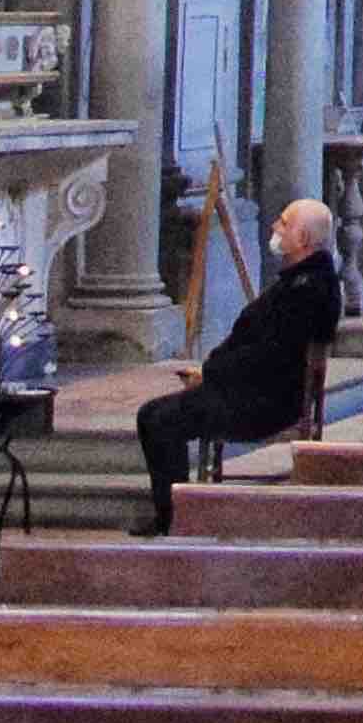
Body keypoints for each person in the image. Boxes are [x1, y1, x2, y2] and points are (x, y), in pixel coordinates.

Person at [135, 192, 342, 531]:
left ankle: (174, 519)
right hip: (248, 391)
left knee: (159, 421)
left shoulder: (309, 289)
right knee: (153, 414)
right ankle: (174, 513)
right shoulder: (301, 280)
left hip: (263, 403)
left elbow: (270, 355)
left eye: (285, 223)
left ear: (303, 239)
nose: (276, 226)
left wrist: (212, 374)